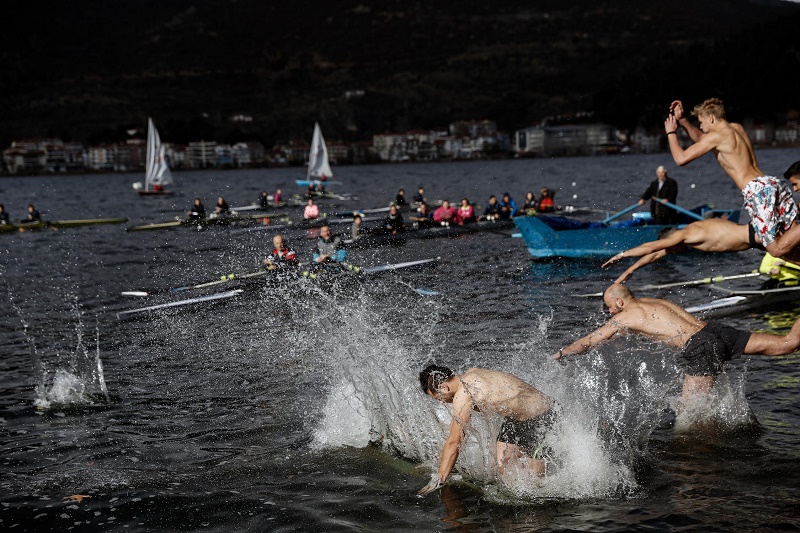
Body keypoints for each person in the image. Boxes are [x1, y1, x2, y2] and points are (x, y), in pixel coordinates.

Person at [553, 284, 800, 409]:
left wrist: (562, 353)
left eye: (609, 306)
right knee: (787, 344)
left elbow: (589, 341)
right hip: (714, 330)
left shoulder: (624, 316)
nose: (608, 312)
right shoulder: (653, 302)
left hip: (700, 346)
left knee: (689, 417)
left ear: (619, 302)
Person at [666, 98, 800, 262]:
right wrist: (682, 121)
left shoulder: (716, 137)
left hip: (758, 192)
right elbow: (702, 139)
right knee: (791, 247)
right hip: (771, 183)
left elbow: (681, 159)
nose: (701, 126)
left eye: (701, 122)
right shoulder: (736, 128)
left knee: (776, 249)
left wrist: (671, 132)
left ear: (711, 118)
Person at [417, 365, 556, 496]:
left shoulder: (463, 394)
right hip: (517, 418)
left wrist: (440, 478)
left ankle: (557, 470)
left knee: (534, 480)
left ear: (444, 388)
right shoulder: (471, 373)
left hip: (543, 417)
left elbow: (454, 442)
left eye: (439, 398)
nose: (442, 402)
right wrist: (440, 460)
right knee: (505, 470)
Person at [601, 218, 758, 283]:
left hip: (755, 235)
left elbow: (651, 247)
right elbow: (654, 255)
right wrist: (631, 269)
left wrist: (622, 254)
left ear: (671, 240)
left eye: (670, 249)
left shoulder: (685, 234)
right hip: (755, 240)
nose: (673, 253)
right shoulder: (686, 240)